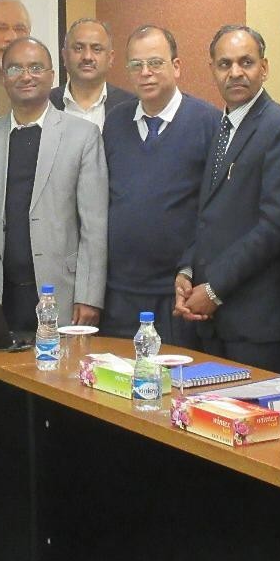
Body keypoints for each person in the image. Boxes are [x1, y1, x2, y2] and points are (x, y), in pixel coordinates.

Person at [174, 26, 280, 372]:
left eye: (246, 62)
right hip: (210, 323)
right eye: (225, 64)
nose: (235, 72)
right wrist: (187, 270)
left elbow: (277, 226)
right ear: (212, 70)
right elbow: (208, 216)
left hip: (258, 324)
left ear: (264, 67)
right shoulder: (221, 128)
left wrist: (214, 289)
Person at [0, 37, 107, 331]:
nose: (26, 76)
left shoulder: (83, 136)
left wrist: (89, 296)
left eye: (36, 68)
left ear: (52, 75)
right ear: (4, 77)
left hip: (62, 294)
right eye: (15, 69)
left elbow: (94, 225)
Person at [100, 25, 218, 342]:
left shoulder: (208, 122)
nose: (145, 73)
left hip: (178, 293)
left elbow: (215, 210)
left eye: (155, 63)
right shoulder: (115, 122)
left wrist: (189, 267)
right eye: (136, 65)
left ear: (176, 66)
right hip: (120, 293)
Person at [49, 17, 135, 131]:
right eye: (79, 48)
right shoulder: (44, 103)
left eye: (97, 49)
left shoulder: (131, 106)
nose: (87, 57)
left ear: (110, 58)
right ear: (64, 56)